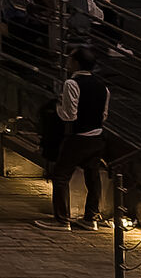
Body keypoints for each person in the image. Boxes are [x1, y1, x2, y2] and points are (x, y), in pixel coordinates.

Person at [38, 48, 111, 230]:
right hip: (98, 137)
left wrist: (58, 106)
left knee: (61, 175)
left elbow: (69, 116)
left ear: (76, 63)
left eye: (70, 59)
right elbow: (103, 115)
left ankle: (62, 220)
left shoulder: (72, 83)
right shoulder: (103, 87)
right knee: (92, 177)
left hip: (79, 138)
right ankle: (90, 218)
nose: (68, 62)